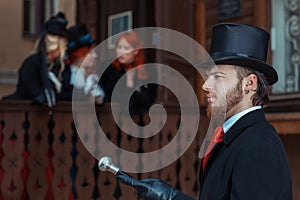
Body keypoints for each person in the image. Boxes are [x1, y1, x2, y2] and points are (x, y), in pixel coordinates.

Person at [116, 23, 293, 199]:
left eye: (218, 77)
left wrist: (171, 197)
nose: (205, 85)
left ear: (249, 84)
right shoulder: (232, 135)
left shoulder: (258, 147)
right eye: (208, 76)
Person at [2, 12, 68, 107]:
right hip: (20, 114)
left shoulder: (60, 66)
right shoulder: (32, 64)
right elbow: (33, 93)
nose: (65, 48)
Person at [100, 31, 157, 115]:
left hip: (141, 118)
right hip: (111, 116)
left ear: (136, 51)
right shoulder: (109, 67)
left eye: (126, 48)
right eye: (119, 47)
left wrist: (131, 85)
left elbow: (150, 97)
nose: (121, 52)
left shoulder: (148, 68)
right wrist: (131, 87)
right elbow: (110, 95)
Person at [60, 23, 105, 104]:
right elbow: (62, 95)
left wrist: (99, 96)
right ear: (79, 54)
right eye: (90, 53)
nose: (95, 56)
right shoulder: (63, 74)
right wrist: (85, 92)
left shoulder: (95, 74)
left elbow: (107, 97)